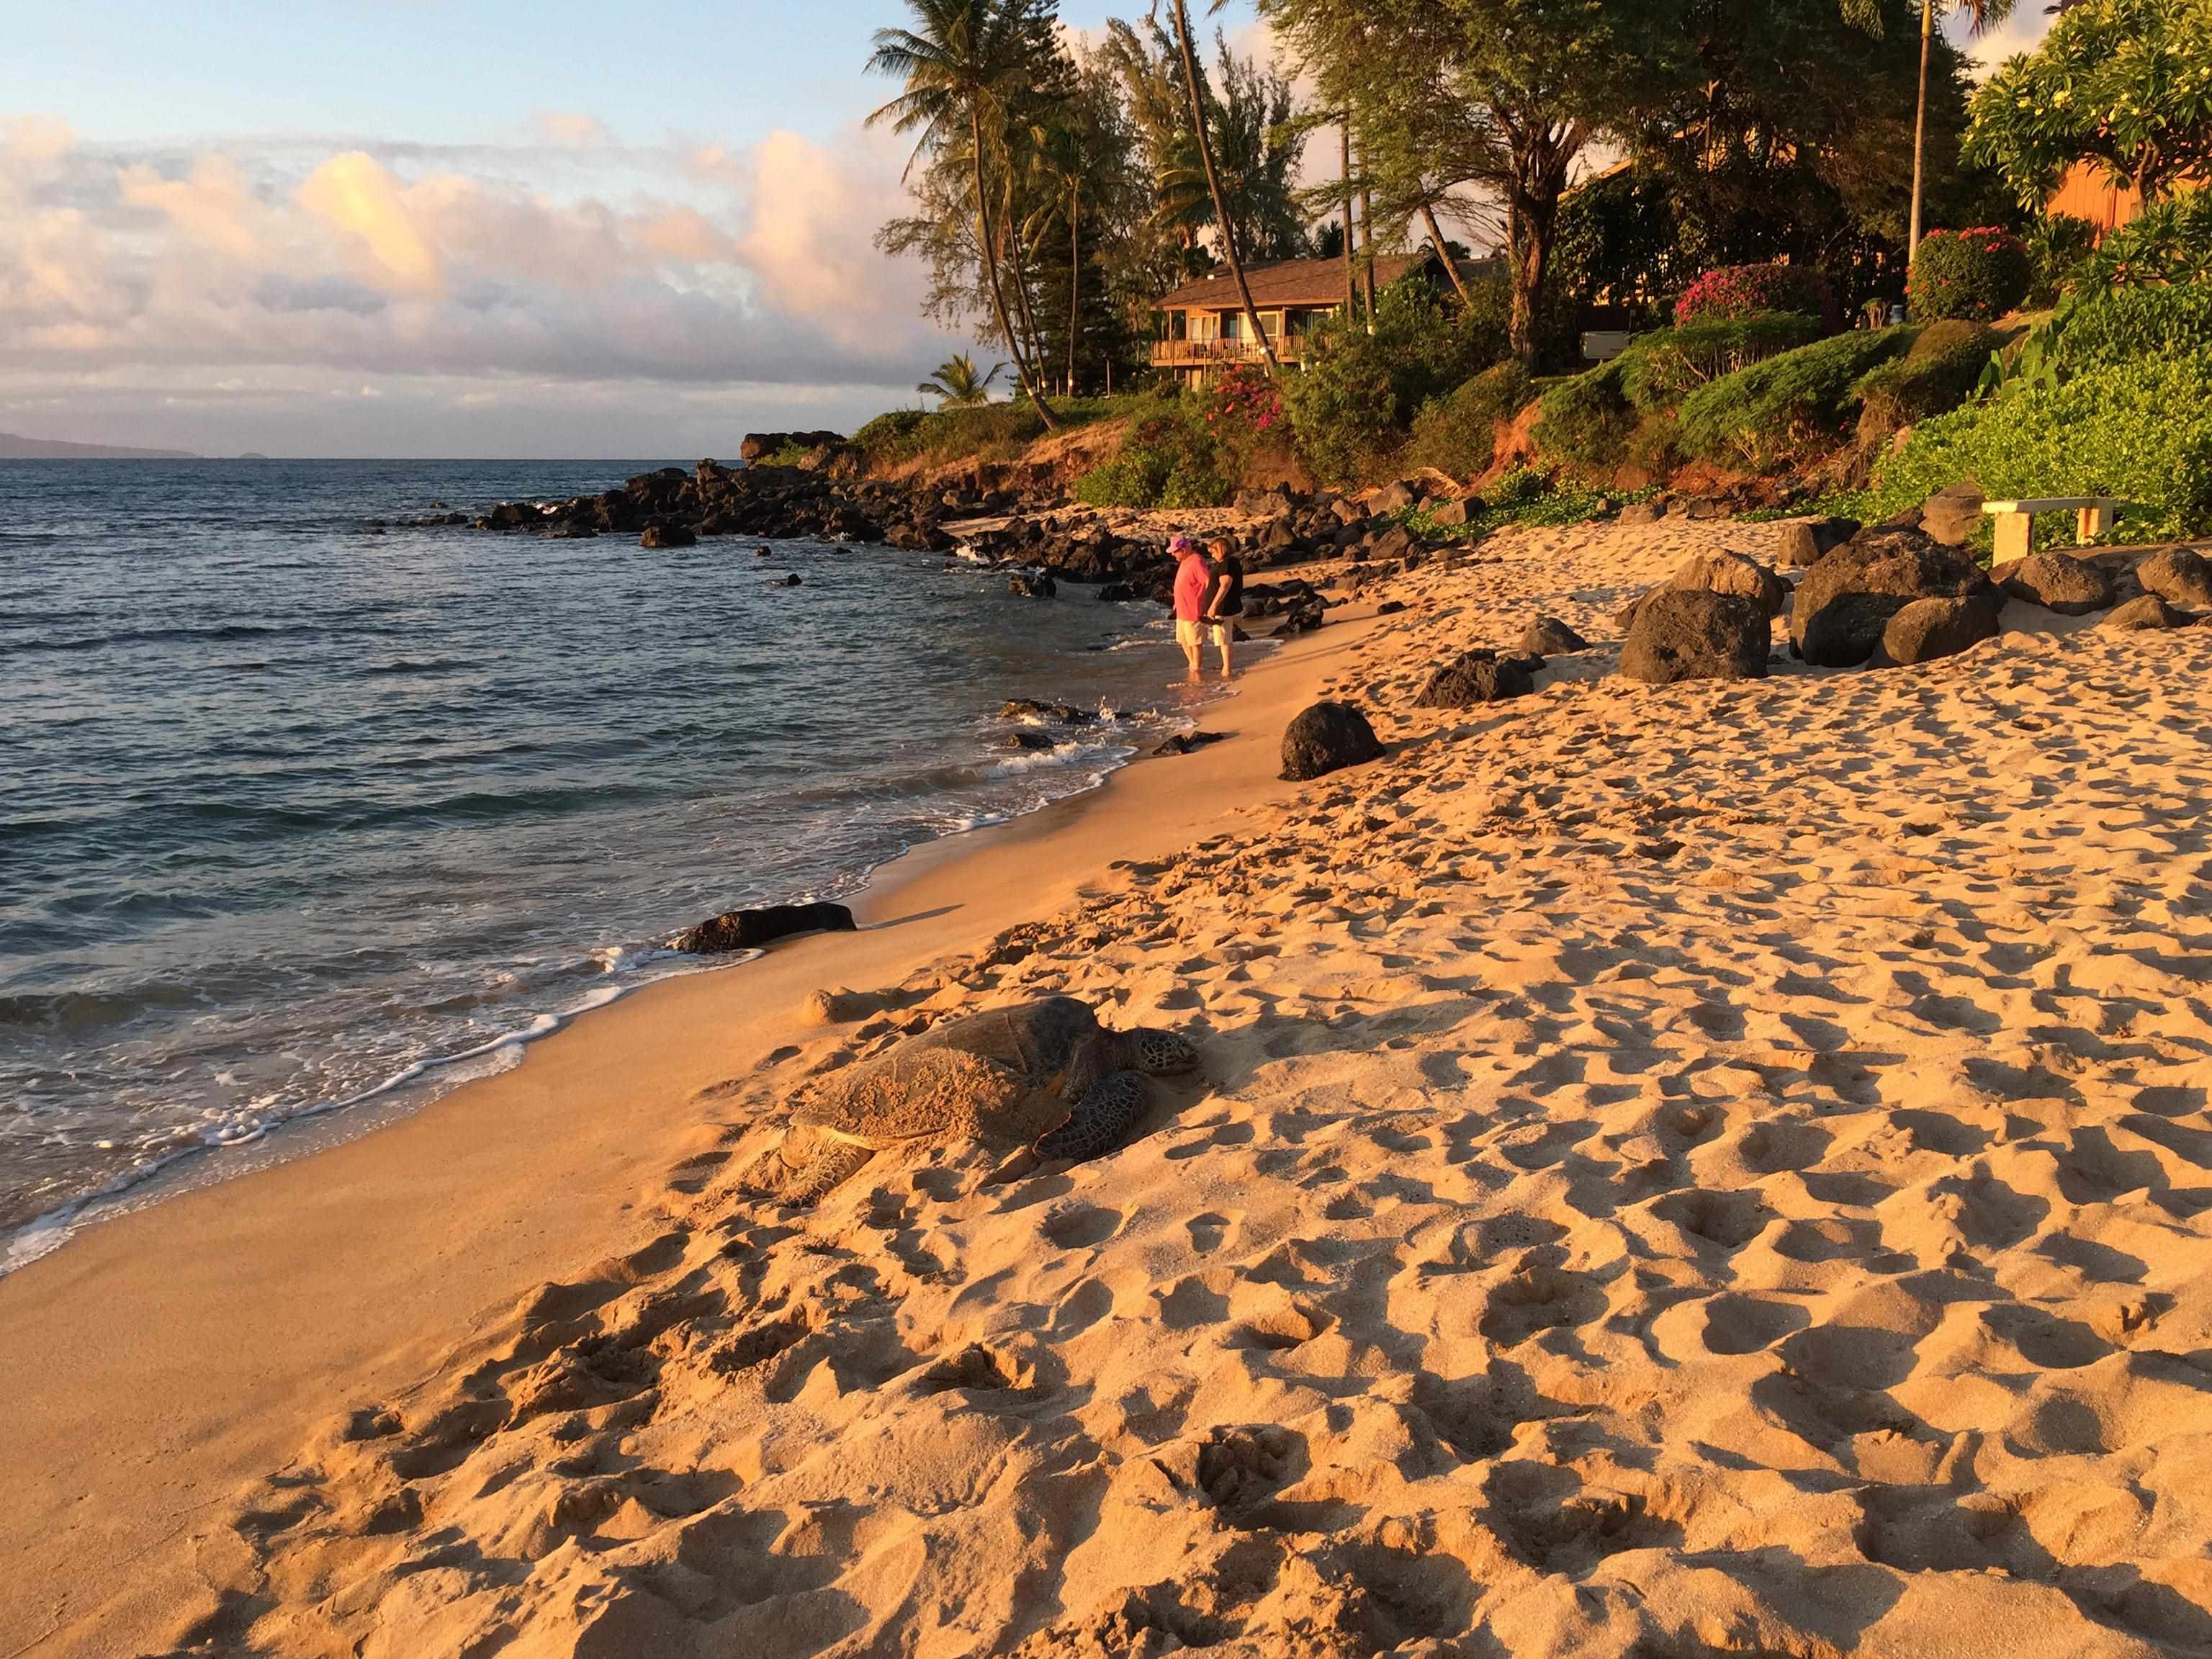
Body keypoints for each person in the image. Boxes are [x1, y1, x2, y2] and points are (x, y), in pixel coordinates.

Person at [1170, 534, 1213, 682]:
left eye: (1176, 551)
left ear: (1185, 549)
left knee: (1195, 642)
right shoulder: (1185, 561)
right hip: (1182, 609)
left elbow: (1208, 582)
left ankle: (1197, 669)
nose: (1174, 554)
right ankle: (1193, 664)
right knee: (1182, 639)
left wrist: (1208, 605)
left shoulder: (1197, 561)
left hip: (1193, 608)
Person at [1202, 538, 1244, 679]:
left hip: (1223, 606)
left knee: (1224, 637)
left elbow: (1225, 585)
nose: (1212, 556)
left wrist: (1214, 605)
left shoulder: (1227, 563)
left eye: (1213, 552)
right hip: (1223, 605)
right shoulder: (1227, 563)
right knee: (1223, 637)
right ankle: (1226, 665)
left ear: (1220, 549)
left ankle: (1227, 668)